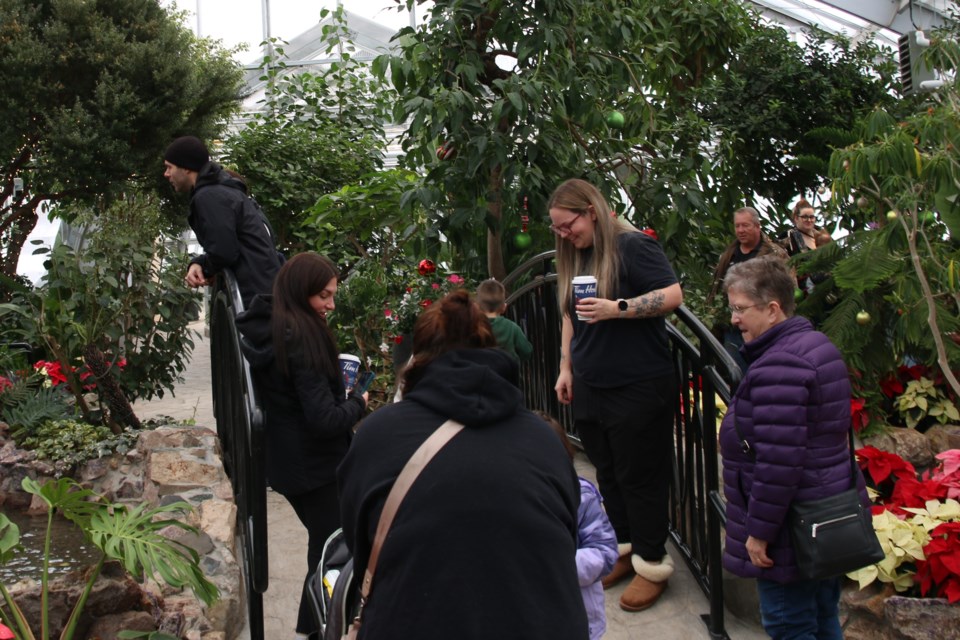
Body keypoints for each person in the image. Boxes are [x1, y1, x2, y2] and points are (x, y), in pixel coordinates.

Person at [338, 289, 588, 640]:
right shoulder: (544, 440)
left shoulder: (378, 435)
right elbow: (566, 534)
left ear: (416, 359)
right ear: (490, 350)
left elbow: (360, 541)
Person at [549, 178, 683, 612]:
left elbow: (672, 295)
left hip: (637, 384)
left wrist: (618, 309)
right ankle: (624, 549)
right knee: (608, 470)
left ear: (590, 210)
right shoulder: (576, 255)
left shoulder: (633, 246)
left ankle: (652, 562)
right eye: (558, 230)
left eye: (568, 226)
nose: (565, 235)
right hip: (592, 383)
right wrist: (566, 367)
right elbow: (570, 315)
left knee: (641, 475)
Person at [718, 255, 867, 640]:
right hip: (822, 520)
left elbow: (779, 461)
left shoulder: (778, 366)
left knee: (790, 624)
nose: (734, 319)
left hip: (790, 534)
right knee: (822, 616)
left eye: (740, 309)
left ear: (772, 310)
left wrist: (760, 533)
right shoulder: (814, 345)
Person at [235, 252, 368, 640]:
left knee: (324, 550)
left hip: (291, 464)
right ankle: (324, 627)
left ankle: (315, 628)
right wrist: (357, 403)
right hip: (316, 466)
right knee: (334, 555)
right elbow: (324, 420)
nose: (330, 304)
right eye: (324, 295)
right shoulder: (302, 336)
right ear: (301, 290)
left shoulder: (275, 326)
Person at [163, 135, 283, 307]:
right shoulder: (225, 191)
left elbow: (224, 251)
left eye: (169, 167)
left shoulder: (209, 196)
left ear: (186, 167)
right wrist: (202, 263)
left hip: (254, 301)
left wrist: (203, 266)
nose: (166, 174)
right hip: (265, 292)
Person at [535, 411, 618, 640]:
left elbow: (605, 552)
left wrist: (556, 565)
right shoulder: (517, 499)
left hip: (580, 613)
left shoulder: (581, 497)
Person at [706, 206, 788, 370]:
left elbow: (787, 289)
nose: (741, 230)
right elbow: (716, 287)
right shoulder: (729, 255)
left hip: (764, 328)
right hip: (733, 327)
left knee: (764, 371)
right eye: (737, 226)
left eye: (745, 225)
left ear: (757, 226)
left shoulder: (774, 254)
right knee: (734, 373)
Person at [475, 278, 533, 362]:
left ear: (477, 307)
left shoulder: (472, 327)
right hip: (506, 373)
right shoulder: (512, 327)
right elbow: (526, 351)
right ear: (504, 307)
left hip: (479, 373)